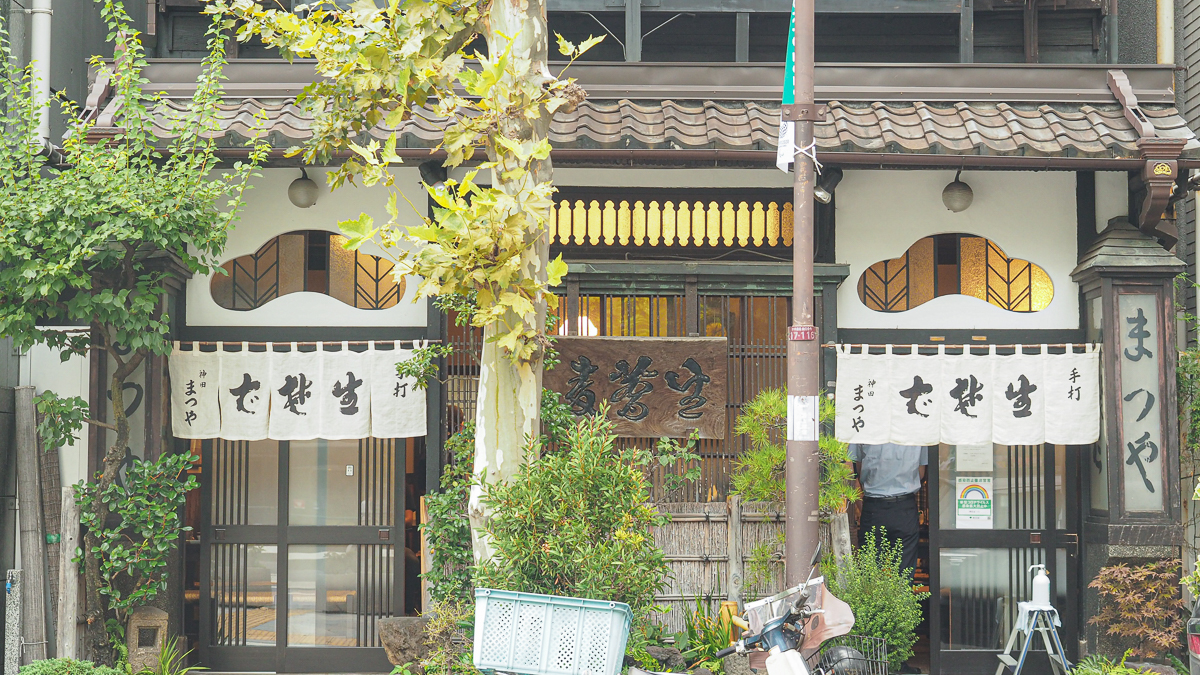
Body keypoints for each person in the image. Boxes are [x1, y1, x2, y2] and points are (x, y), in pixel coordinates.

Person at [848, 443, 927, 578]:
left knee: (871, 573)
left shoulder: (863, 425)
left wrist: (863, 506)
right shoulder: (916, 428)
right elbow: (921, 472)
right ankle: (902, 598)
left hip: (873, 506)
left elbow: (854, 469)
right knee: (904, 573)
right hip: (904, 506)